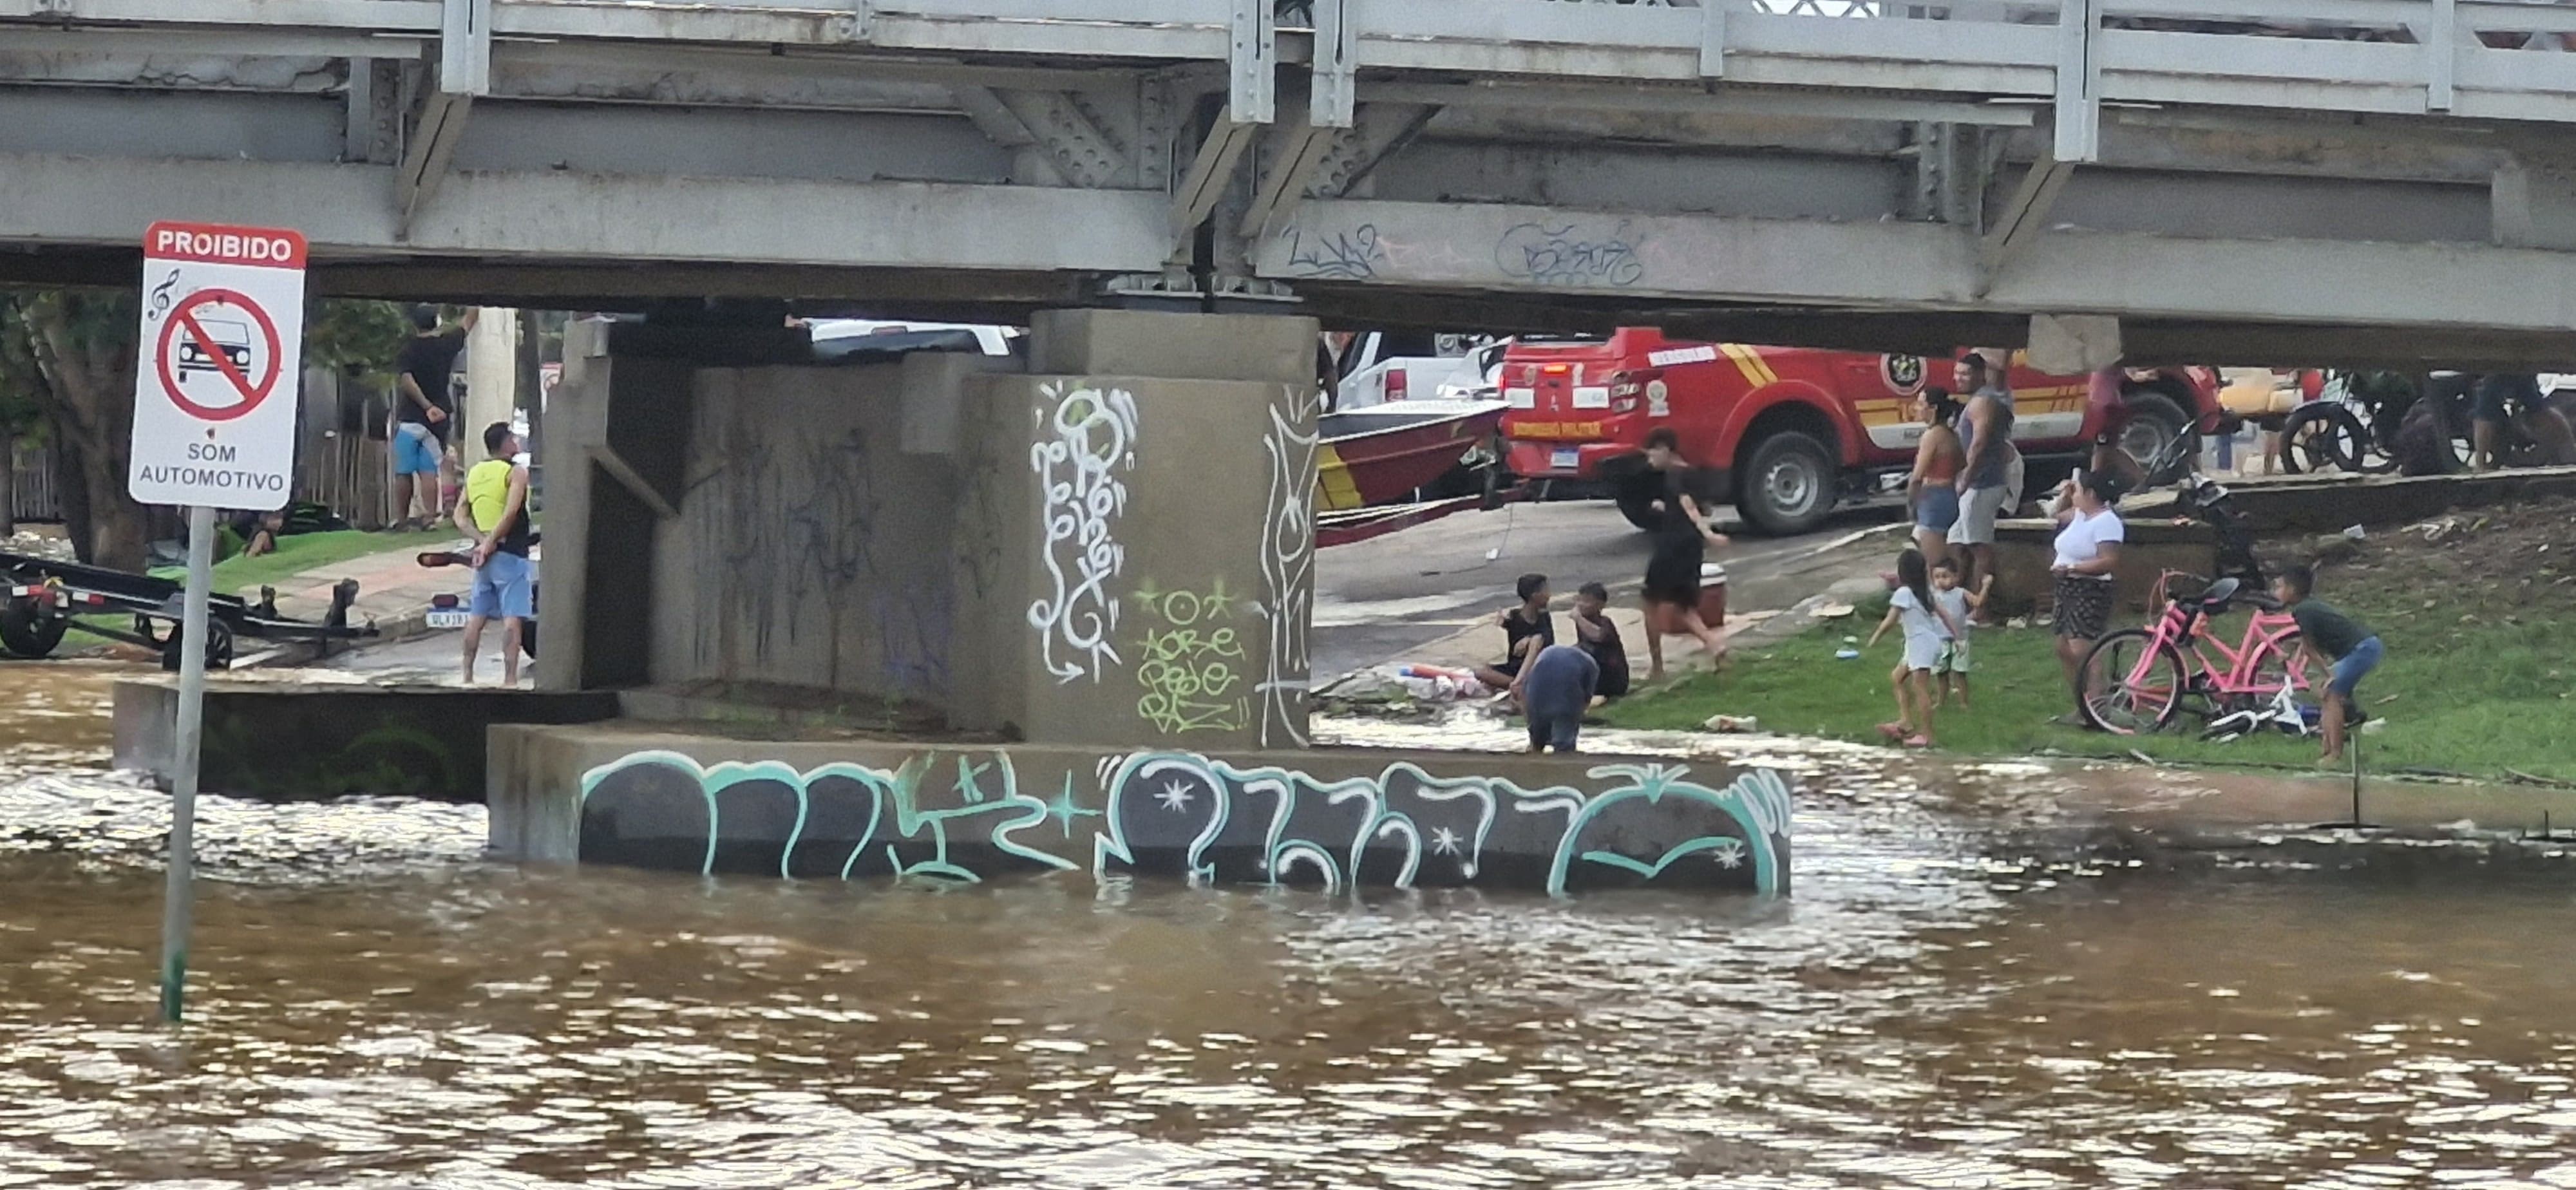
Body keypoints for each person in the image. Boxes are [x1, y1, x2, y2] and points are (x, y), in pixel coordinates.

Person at [1638, 427, 1731, 681]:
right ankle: (1714, 643)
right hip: (1691, 547)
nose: (1650, 460)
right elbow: (1703, 507)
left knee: (1650, 602)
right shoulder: (1694, 473)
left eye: (1651, 454)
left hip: (1672, 545)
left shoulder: (1674, 475)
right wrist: (1667, 508)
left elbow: (1689, 507)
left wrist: (1709, 533)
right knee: (1682, 605)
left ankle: (1657, 667)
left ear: (1665, 450)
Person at [2276, 563, 2381, 765]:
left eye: (2279, 587)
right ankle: (2328, 746)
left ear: (2292, 590)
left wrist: (2328, 674)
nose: (2276, 592)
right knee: (2326, 693)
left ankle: (2335, 753)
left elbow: (2310, 650)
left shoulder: (2303, 610)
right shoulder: (2308, 607)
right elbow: (2308, 644)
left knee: (2332, 694)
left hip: (2363, 650)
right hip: (2363, 648)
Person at [453, 421, 533, 686]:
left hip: (484, 558)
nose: (517, 442)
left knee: (477, 617)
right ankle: (510, 680)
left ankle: (467, 675)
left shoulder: (475, 472)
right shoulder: (516, 473)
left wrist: (481, 541)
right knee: (513, 618)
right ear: (506, 442)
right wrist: (491, 542)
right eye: (513, 438)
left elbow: (460, 515)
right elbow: (511, 512)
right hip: (511, 553)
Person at [1947, 352, 2022, 622]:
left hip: (1981, 485)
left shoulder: (1983, 402)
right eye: (1957, 373)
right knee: (1957, 544)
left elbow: (1978, 443)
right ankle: (1955, 601)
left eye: (1965, 374)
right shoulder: (1977, 402)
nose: (1959, 378)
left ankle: (1982, 609)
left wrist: (1966, 478)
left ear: (1981, 375)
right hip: (1972, 486)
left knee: (1980, 548)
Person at [1866, 547, 1962, 749]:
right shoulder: (1924, 593)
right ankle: (1906, 722)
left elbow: (1890, 620)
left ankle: (1927, 736)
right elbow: (1944, 615)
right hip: (1921, 642)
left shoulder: (1904, 593)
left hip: (1921, 644)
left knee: (1920, 688)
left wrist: (1875, 637)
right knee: (1897, 678)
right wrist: (1957, 636)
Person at [2049, 470, 2126, 721]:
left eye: (2080, 491)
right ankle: (2081, 702)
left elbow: (2109, 560)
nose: (2076, 496)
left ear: (2091, 494)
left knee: (2083, 649)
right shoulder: (2081, 516)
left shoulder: (2106, 522)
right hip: (2067, 588)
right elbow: (2056, 515)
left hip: (2089, 588)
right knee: (2063, 646)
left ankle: (2097, 705)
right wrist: (2067, 493)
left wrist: (2073, 568)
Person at [392, 305, 477, 531]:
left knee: (403, 470)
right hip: (438, 419)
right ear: (437, 322)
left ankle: (401, 520)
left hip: (411, 417)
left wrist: (424, 405)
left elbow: (407, 379)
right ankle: (429, 518)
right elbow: (469, 321)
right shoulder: (446, 345)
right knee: (429, 470)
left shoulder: (408, 349)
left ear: (414, 325)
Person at [1906, 387, 1965, 569]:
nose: (1917, 408)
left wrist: (1911, 503)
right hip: (1951, 495)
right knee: (1953, 560)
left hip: (1933, 499)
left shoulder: (1932, 436)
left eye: (1921, 404)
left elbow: (1917, 476)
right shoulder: (1952, 435)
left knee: (1935, 564)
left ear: (1933, 409)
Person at [1473, 572, 1553, 694]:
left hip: (1537, 667)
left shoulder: (1544, 616)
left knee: (1536, 641)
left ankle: (1518, 684)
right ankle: (1519, 684)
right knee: (1481, 671)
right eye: (1546, 591)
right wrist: (1502, 622)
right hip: (1515, 667)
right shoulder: (1515, 616)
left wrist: (1529, 640)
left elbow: (1547, 640)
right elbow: (1507, 624)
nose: (1549, 595)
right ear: (1535, 596)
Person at [1514, 643, 1600, 754]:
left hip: (1536, 694)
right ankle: (1563, 756)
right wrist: (1581, 712)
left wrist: (1527, 705)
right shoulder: (1590, 662)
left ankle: (1534, 752)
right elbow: (1587, 694)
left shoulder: (1550, 650)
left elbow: (1528, 680)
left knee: (1537, 737)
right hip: (1565, 700)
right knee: (1563, 742)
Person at [1929, 557, 1991, 709]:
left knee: (1960, 672)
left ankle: (1963, 702)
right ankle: (1941, 701)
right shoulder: (1932, 595)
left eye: (1945, 576)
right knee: (1941, 673)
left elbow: (1977, 602)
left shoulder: (1960, 593)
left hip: (1960, 638)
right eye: (1936, 577)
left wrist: (1986, 586)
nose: (1940, 581)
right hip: (1940, 639)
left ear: (1956, 577)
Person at [1569, 580, 1631, 701]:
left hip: (1613, 678)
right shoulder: (1582, 622)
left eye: (1587, 601)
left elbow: (1598, 636)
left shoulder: (1605, 622)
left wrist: (1578, 618)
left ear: (1600, 605)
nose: (1581, 605)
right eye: (1580, 600)